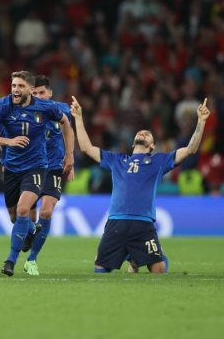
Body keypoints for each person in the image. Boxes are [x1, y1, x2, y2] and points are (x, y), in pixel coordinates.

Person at [71, 96, 210, 273]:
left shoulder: (158, 161)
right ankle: (133, 257)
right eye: (140, 133)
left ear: (152, 146)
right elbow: (86, 148)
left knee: (158, 269)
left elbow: (190, 149)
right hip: (116, 222)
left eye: (147, 134)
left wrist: (201, 122)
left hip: (143, 224)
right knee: (100, 269)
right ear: (133, 142)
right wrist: (78, 118)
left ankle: (143, 258)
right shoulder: (117, 159)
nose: (143, 133)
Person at [0, 70, 74, 276]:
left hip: (37, 167)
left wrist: (70, 155)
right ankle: (31, 229)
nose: (16, 90)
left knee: (24, 209)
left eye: (20, 86)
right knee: (15, 217)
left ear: (30, 89)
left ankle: (11, 260)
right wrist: (7, 142)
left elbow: (66, 122)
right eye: (13, 86)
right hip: (12, 169)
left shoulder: (46, 107)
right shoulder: (3, 105)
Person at [22, 75, 74, 276]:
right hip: (29, 166)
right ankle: (29, 232)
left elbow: (68, 130)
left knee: (46, 212)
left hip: (53, 167)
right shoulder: (23, 110)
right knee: (27, 213)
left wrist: (71, 159)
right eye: (34, 93)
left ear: (50, 93)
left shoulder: (60, 109)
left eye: (42, 92)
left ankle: (32, 260)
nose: (38, 96)